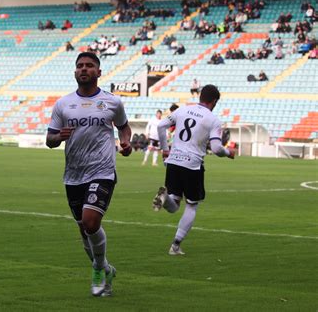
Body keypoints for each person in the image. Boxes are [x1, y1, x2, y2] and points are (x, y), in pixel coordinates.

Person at [46, 52, 132, 297]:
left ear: (99, 72)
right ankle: (106, 269)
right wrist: (57, 137)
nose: (84, 69)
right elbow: (49, 140)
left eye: (89, 66)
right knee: (84, 230)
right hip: (73, 175)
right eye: (80, 66)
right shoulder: (63, 104)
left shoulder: (112, 102)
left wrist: (125, 142)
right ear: (75, 72)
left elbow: (124, 127)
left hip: (102, 170)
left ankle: (96, 268)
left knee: (91, 222)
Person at [152, 85, 235, 255]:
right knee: (191, 205)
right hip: (192, 165)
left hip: (174, 161)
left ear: (200, 96)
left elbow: (161, 126)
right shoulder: (213, 120)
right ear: (214, 101)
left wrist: (165, 149)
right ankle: (175, 245)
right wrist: (228, 152)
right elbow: (217, 148)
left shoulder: (182, 110)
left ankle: (165, 197)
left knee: (174, 205)